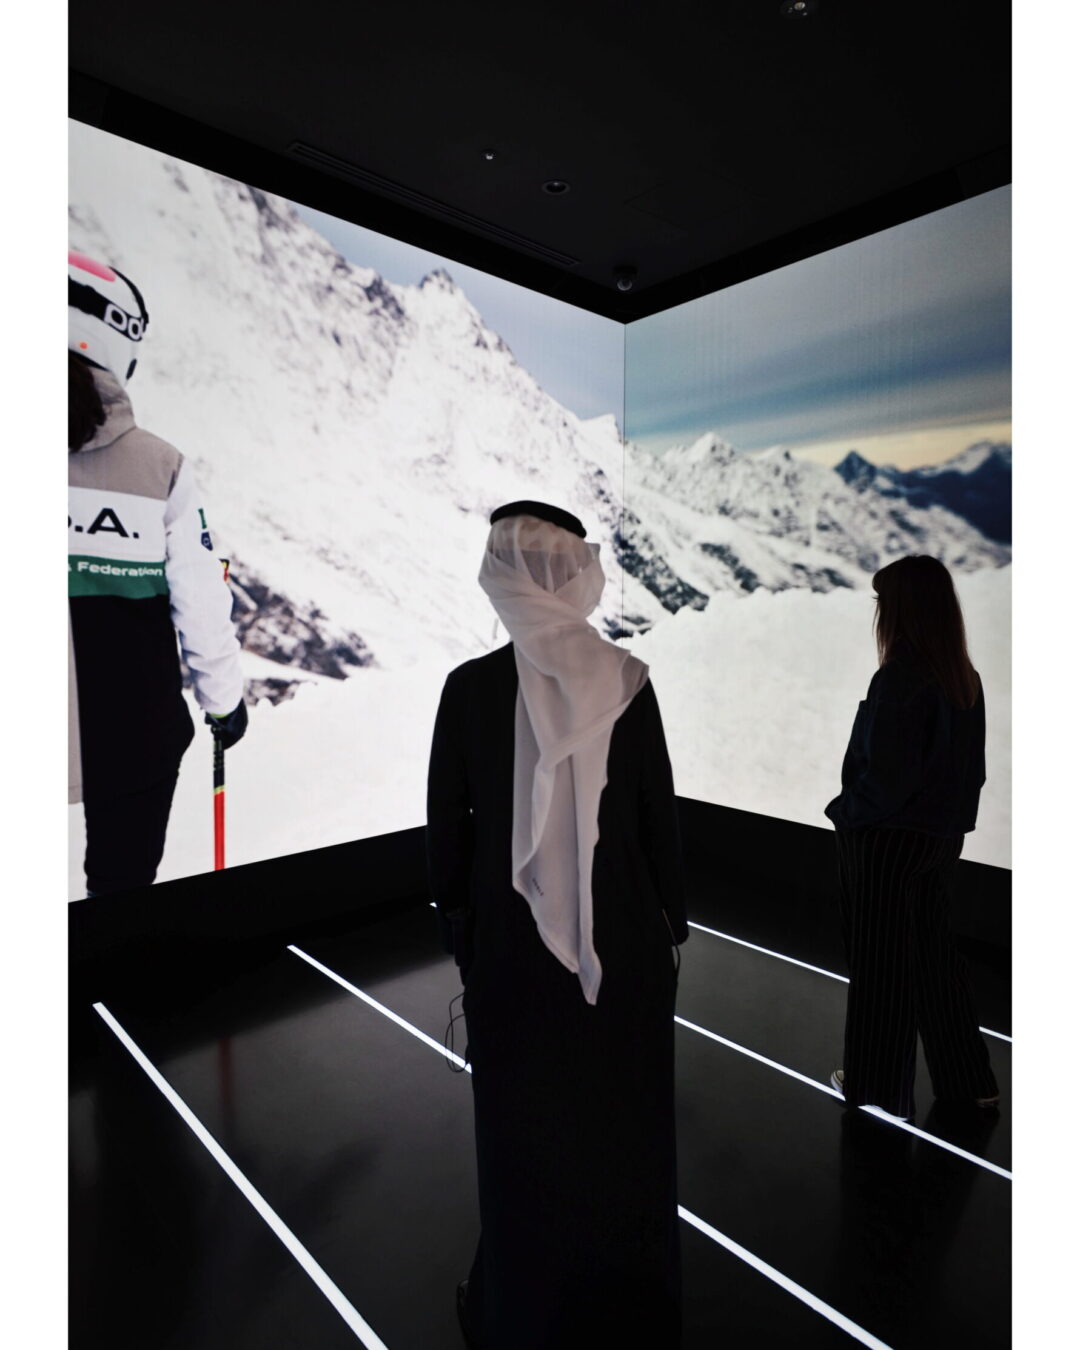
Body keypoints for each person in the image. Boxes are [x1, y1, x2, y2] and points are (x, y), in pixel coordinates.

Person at [427, 502, 687, 1350]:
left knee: (521, 1135)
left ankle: (520, 1311)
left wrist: (460, 927)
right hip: (626, 945)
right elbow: (656, 815)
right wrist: (672, 921)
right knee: (625, 1126)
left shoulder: (469, 689)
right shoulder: (627, 678)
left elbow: (448, 828)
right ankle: (632, 1304)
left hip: (509, 951)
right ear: (574, 574)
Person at [69, 250, 247, 895]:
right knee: (120, 898)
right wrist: (223, 703)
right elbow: (200, 602)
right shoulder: (158, 467)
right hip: (132, 736)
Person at [824, 554, 1000, 1119]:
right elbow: (971, 771)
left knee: (880, 966)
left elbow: (886, 776)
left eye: (884, 602)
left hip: (887, 842)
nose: (879, 612)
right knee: (935, 962)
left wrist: (847, 813)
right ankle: (970, 1081)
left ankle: (876, 1087)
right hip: (940, 840)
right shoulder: (963, 677)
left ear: (902, 610)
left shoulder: (900, 676)